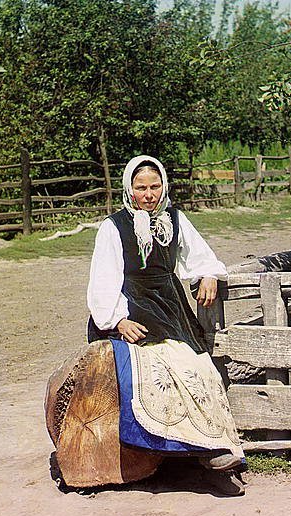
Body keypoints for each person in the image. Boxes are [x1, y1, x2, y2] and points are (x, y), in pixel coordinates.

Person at [87, 155, 245, 495]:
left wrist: (208, 275)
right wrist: (118, 320)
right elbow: (103, 280)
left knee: (200, 368)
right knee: (162, 369)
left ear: (164, 187)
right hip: (132, 306)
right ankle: (186, 450)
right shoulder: (113, 227)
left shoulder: (174, 219)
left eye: (155, 186)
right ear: (128, 188)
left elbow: (200, 255)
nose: (148, 194)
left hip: (170, 307)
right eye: (141, 187)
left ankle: (216, 450)